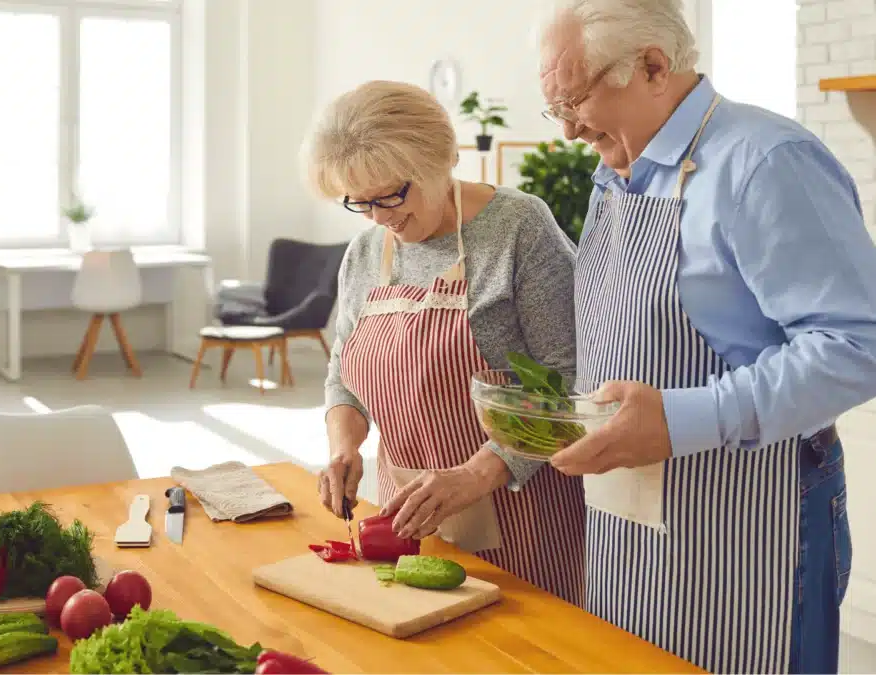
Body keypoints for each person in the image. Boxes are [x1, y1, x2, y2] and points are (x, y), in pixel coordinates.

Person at [537, 0, 876, 672]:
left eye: (575, 100)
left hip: (756, 516)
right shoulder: (617, 170)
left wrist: (679, 419)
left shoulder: (767, 161)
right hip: (627, 518)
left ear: (654, 67)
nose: (569, 129)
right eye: (555, 108)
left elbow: (856, 347)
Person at [300, 79, 587, 605]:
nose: (380, 218)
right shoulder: (365, 253)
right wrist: (344, 447)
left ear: (441, 160)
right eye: (359, 204)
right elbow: (345, 376)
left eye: (391, 195)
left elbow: (567, 383)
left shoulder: (519, 228)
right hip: (407, 521)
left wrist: (474, 476)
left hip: (520, 518)